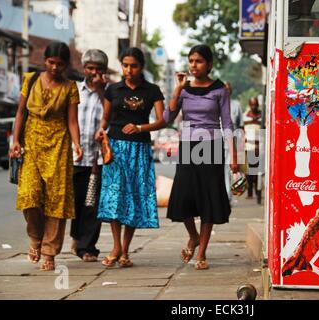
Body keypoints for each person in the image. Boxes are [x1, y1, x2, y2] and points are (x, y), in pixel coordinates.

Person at [164, 44, 238, 270]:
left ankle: (202, 252)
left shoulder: (220, 90)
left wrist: (234, 155)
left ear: (209, 64)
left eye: (199, 61)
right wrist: (177, 89)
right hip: (188, 146)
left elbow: (227, 123)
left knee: (208, 200)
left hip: (212, 147)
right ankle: (193, 236)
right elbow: (168, 116)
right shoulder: (184, 89)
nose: (194, 65)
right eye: (191, 61)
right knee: (182, 197)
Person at [10, 41, 83, 271]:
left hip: (59, 145)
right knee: (29, 195)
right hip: (31, 144)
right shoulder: (30, 79)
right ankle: (35, 238)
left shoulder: (70, 87)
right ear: (45, 61)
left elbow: (72, 121)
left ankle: (50, 252)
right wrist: (15, 140)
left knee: (56, 201)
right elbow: (20, 112)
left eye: (59, 64)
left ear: (65, 65)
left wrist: (77, 144)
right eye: (51, 63)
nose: (54, 68)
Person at [94, 47, 166, 268]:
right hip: (114, 150)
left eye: (133, 65)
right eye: (125, 65)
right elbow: (105, 118)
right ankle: (116, 247)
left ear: (141, 67)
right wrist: (100, 130)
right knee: (115, 196)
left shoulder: (152, 90)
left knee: (133, 197)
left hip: (140, 149)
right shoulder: (113, 89)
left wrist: (139, 127)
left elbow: (162, 121)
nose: (128, 70)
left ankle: (125, 250)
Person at [70, 49, 108, 262]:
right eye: (90, 68)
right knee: (75, 203)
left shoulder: (109, 93)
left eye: (99, 69)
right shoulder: (75, 90)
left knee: (92, 204)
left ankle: (87, 247)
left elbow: (110, 116)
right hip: (76, 155)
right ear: (84, 69)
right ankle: (77, 237)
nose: (94, 73)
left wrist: (102, 91)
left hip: (98, 158)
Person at [224, 81, 243, 201]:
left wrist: (241, 145)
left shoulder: (236, 105)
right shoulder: (215, 104)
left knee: (230, 170)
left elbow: (241, 126)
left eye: (228, 89)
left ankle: (227, 198)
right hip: (217, 142)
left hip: (232, 143)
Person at [243, 96, 262, 204]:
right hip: (248, 147)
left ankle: (258, 192)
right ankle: (250, 192)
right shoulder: (245, 117)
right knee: (249, 172)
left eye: (255, 104)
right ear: (250, 105)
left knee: (258, 172)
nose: (254, 106)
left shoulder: (262, 116)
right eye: (252, 104)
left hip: (259, 148)